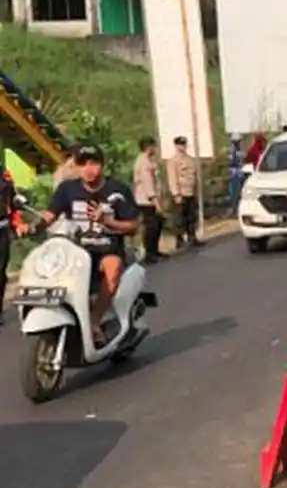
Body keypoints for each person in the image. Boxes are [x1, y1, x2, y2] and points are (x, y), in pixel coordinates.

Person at [41, 146, 139, 343]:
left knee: (112, 266)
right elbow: (50, 216)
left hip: (107, 250)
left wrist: (108, 222)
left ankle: (94, 322)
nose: (88, 169)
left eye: (93, 163)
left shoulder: (117, 190)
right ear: (76, 167)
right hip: (76, 251)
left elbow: (134, 226)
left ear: (102, 165)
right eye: (82, 164)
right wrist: (33, 226)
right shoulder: (67, 189)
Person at [0, 161, 28, 324]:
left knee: (0, 270)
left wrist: (17, 223)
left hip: (1, 228)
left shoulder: (5, 175)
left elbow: (13, 202)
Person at [133, 136, 166, 264]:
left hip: (149, 198)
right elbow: (148, 183)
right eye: (153, 146)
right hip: (146, 200)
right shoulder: (144, 163)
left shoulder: (147, 160)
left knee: (157, 224)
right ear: (148, 147)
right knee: (151, 226)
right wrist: (154, 200)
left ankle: (154, 250)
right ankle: (150, 253)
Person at [166, 135, 203, 249]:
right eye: (180, 144)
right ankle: (179, 238)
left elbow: (194, 176)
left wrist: (196, 190)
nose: (183, 146)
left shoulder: (190, 160)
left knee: (191, 216)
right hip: (181, 192)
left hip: (190, 191)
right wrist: (176, 193)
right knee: (179, 217)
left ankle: (192, 237)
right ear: (176, 146)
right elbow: (172, 178)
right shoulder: (173, 161)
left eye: (184, 144)